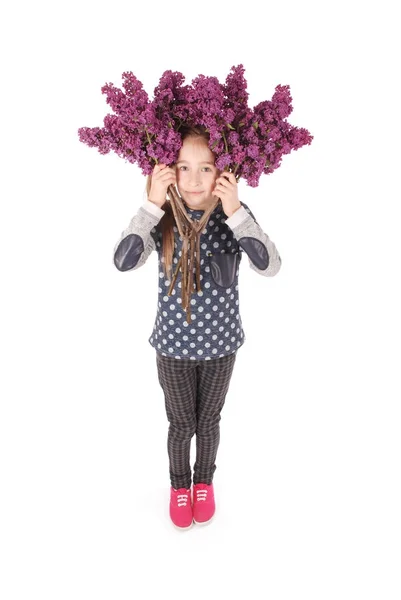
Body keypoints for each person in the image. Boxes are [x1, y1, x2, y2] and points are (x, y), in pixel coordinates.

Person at [113, 126, 282, 529]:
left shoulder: (234, 216)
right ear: (167, 170)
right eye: (182, 167)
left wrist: (237, 210)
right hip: (172, 347)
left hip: (222, 344)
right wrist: (152, 203)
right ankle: (179, 485)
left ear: (224, 171)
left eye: (205, 168)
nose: (192, 179)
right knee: (180, 423)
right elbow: (124, 261)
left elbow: (269, 266)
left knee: (209, 422)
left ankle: (204, 482)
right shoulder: (163, 217)